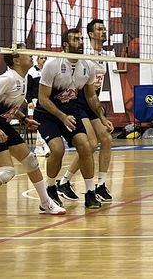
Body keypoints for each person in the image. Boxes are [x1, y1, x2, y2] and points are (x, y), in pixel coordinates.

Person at [0, 48, 65, 225]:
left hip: (2, 124)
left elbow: (9, 105)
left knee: (31, 162)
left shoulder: (22, 78)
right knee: (7, 171)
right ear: (16, 60)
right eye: (26, 53)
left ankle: (45, 203)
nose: (30, 55)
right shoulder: (7, 78)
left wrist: (24, 119)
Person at [34, 28, 111, 210]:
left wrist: (101, 117)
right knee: (58, 150)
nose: (81, 42)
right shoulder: (52, 65)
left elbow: (91, 97)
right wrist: (62, 116)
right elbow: (43, 99)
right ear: (66, 45)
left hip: (71, 112)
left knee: (86, 146)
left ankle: (91, 192)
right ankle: (51, 187)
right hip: (48, 115)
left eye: (80, 38)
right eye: (76, 39)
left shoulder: (88, 66)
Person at [57, 19, 115, 203]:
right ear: (91, 34)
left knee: (106, 139)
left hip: (92, 100)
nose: (104, 31)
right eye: (99, 29)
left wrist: (101, 115)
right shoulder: (83, 52)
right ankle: (65, 182)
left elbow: (95, 89)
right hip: (78, 101)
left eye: (104, 28)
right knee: (89, 145)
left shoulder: (102, 55)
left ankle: (101, 184)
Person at [26, 55, 50, 157]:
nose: (43, 60)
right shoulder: (32, 71)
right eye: (41, 58)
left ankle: (39, 148)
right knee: (39, 123)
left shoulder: (48, 71)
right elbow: (28, 88)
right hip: (35, 101)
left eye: (45, 58)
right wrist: (29, 101)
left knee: (44, 122)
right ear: (37, 59)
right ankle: (45, 147)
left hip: (45, 100)